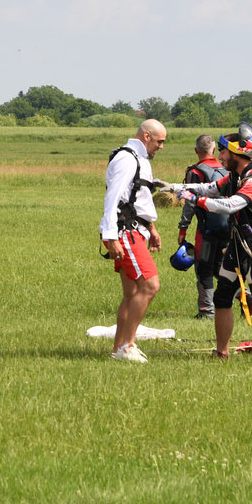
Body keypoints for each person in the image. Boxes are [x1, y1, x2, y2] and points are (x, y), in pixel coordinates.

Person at [161, 124, 252, 365]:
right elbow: (209, 188)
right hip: (238, 246)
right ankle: (222, 352)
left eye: (223, 152)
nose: (219, 157)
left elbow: (230, 205)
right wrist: (174, 187)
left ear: (237, 153)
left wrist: (195, 201)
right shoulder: (235, 177)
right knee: (222, 297)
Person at [99, 119, 167, 363]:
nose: (161, 147)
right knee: (150, 286)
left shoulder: (140, 160)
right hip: (124, 232)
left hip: (136, 230)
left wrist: (152, 228)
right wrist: (111, 236)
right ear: (146, 136)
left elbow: (138, 199)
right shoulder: (127, 159)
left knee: (132, 292)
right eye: (159, 141)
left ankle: (118, 350)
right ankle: (128, 346)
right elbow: (112, 198)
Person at [177, 134, 229, 319]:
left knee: (204, 268)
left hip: (206, 230)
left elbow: (190, 203)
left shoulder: (195, 172)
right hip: (228, 228)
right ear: (214, 150)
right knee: (222, 268)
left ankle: (207, 311)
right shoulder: (226, 169)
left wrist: (183, 229)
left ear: (196, 151)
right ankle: (244, 295)